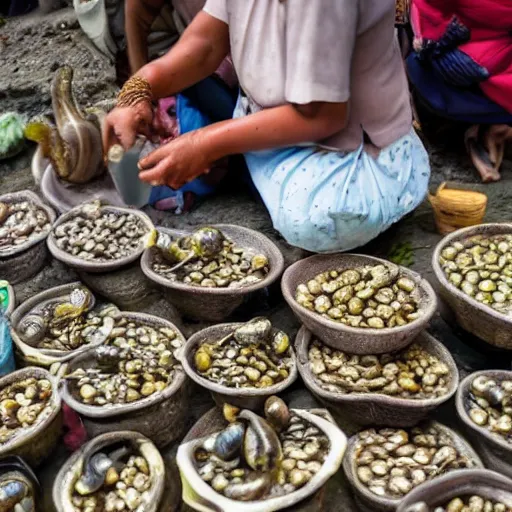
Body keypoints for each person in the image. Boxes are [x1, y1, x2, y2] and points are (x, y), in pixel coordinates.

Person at [103, 0, 430, 253]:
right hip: (277, 115)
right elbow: (205, 44)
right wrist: (138, 90)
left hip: (357, 154)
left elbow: (323, 116)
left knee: (311, 221)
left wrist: (205, 144)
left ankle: (385, 202)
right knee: (193, 119)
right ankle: (245, 165)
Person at [407, 0, 512, 183]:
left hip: (470, 67)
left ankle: (485, 128)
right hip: (484, 65)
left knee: (417, 64)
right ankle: (492, 129)